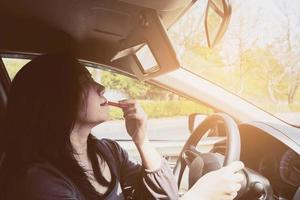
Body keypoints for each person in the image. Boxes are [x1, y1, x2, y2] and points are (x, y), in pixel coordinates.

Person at [0, 53, 244, 200]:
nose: (101, 87)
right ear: (55, 98)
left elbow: (163, 196)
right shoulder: (38, 182)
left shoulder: (107, 151)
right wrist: (199, 195)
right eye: (85, 80)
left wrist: (142, 140)